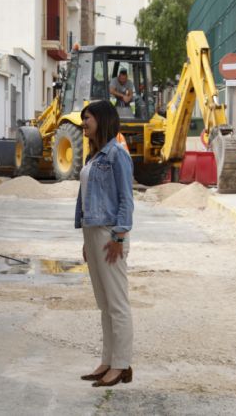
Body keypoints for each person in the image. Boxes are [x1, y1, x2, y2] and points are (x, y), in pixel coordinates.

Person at [75, 100, 134, 387]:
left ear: (103, 120)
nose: (83, 123)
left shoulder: (116, 155)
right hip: (94, 233)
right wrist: (87, 239)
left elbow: (126, 198)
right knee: (104, 304)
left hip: (110, 234)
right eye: (83, 119)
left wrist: (119, 237)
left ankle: (122, 365)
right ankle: (108, 361)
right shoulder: (95, 156)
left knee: (117, 303)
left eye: (88, 118)